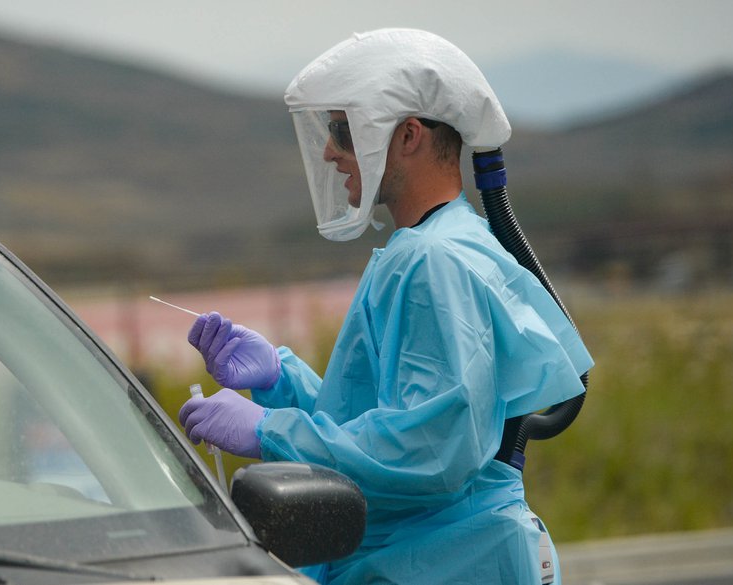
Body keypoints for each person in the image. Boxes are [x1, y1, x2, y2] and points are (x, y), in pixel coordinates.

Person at [178, 28, 593, 584]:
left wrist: (270, 429)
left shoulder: (430, 260)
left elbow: (428, 451)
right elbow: (399, 419)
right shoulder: (446, 242)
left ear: (408, 136)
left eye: (343, 131)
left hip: (441, 564)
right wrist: (282, 379)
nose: (329, 151)